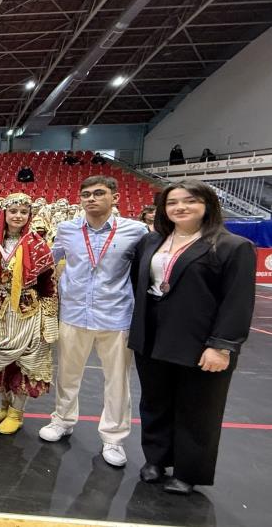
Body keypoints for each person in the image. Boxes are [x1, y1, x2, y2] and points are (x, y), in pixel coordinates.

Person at [129, 179, 255, 494]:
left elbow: (237, 301)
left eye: (190, 201)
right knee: (154, 401)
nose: (180, 207)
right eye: (172, 202)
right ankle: (156, 460)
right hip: (152, 335)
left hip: (200, 340)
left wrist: (222, 346)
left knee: (199, 408)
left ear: (207, 205)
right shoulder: (151, 242)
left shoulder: (231, 246)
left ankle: (188, 471)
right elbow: (138, 283)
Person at [38, 177, 147, 467]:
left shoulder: (135, 231)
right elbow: (45, 260)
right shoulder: (67, 229)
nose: (91, 199)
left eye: (99, 193)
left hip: (117, 315)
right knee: (68, 375)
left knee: (117, 381)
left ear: (115, 197)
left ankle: (113, 438)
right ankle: (62, 420)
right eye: (86, 194)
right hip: (73, 313)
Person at [0, 193, 56, 435]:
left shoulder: (38, 244)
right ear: (4, 214)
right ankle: (4, 405)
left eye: (23, 212)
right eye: (13, 211)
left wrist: (49, 318)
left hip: (26, 310)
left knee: (24, 363)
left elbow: (48, 283)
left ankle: (17, 413)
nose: (18, 216)